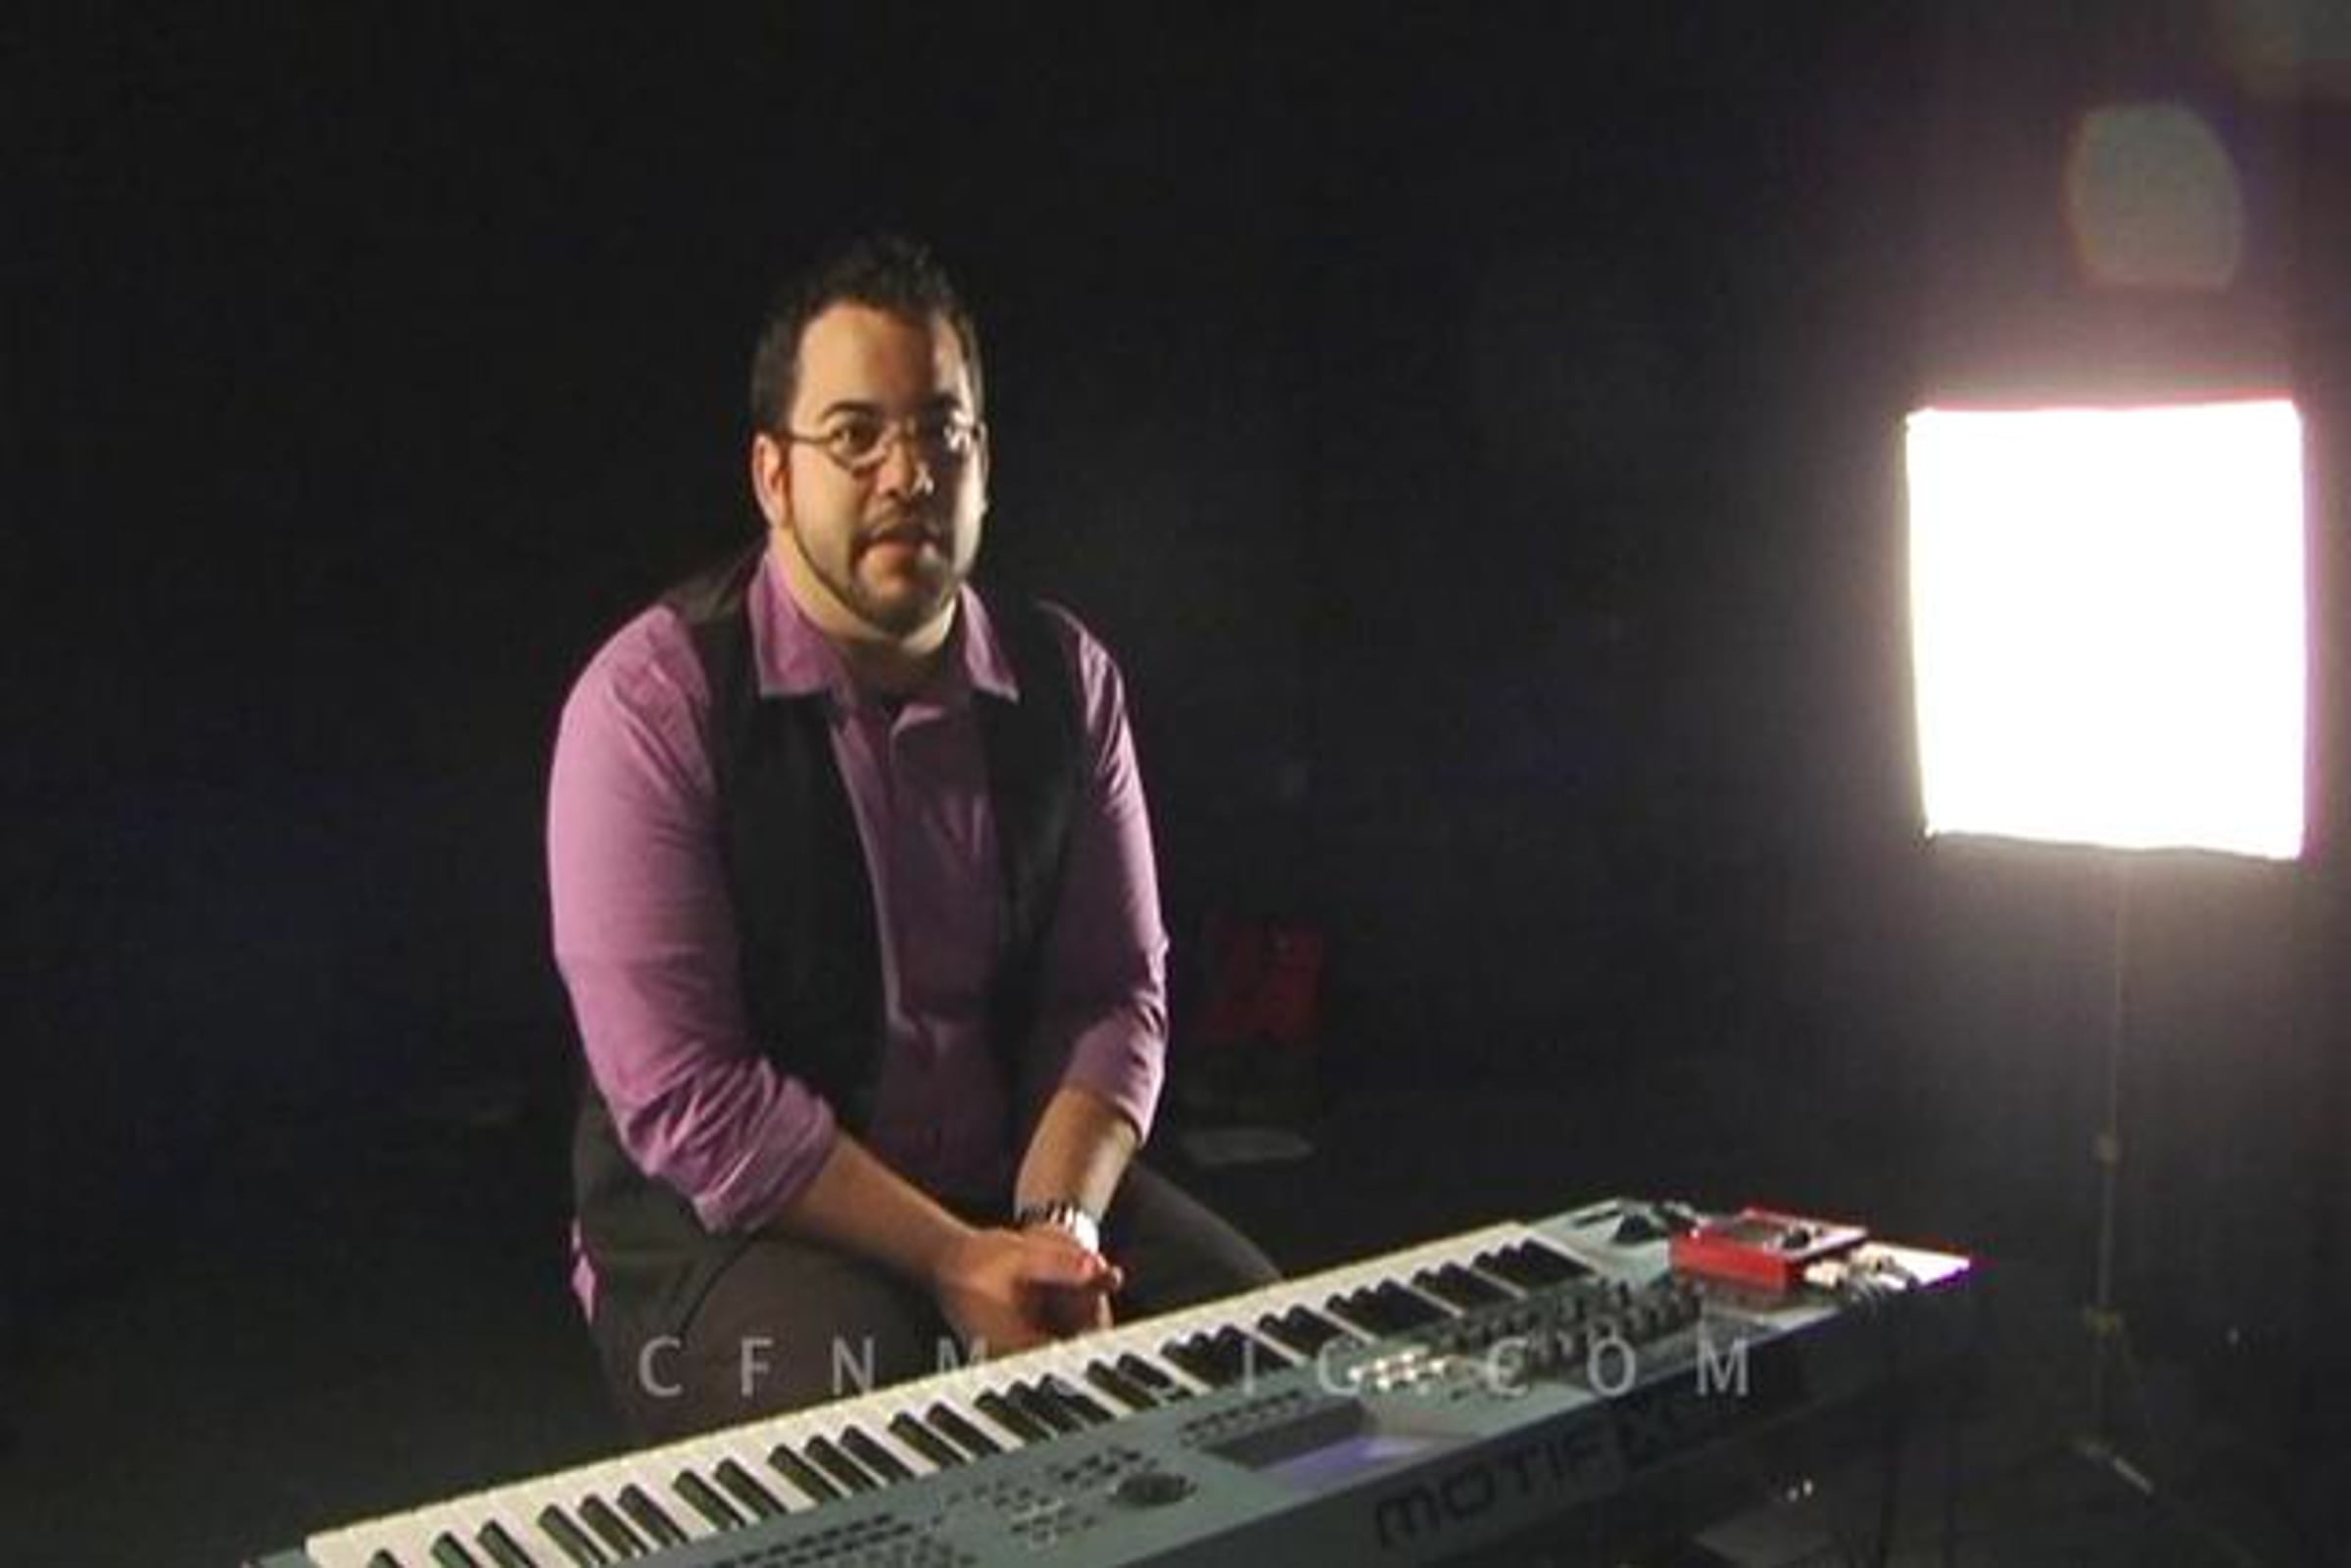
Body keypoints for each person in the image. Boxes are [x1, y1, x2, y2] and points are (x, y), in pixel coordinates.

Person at [548, 234, 1277, 1443]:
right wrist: (952, 1256)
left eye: (942, 432)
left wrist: (1056, 1230)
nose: (908, 473)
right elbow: (690, 1095)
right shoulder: (648, 704)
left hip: (1009, 1188)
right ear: (773, 475)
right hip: (732, 1225)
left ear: (984, 462)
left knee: (1269, 1370)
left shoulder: (1069, 679)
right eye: (855, 435)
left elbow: (1113, 993)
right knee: (892, 1426)